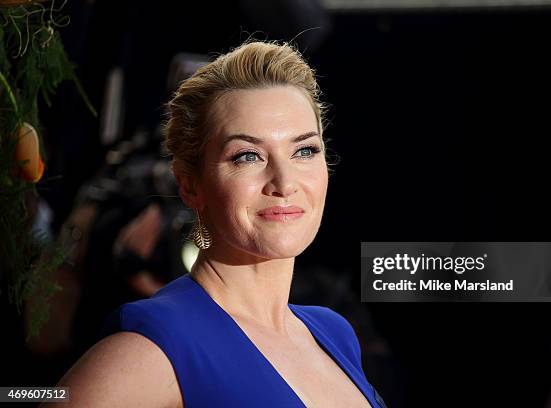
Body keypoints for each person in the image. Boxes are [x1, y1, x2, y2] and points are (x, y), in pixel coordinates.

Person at [44, 41, 386, 407]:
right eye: (247, 156)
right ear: (190, 184)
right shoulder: (159, 345)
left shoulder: (333, 333)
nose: (285, 183)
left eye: (304, 150)